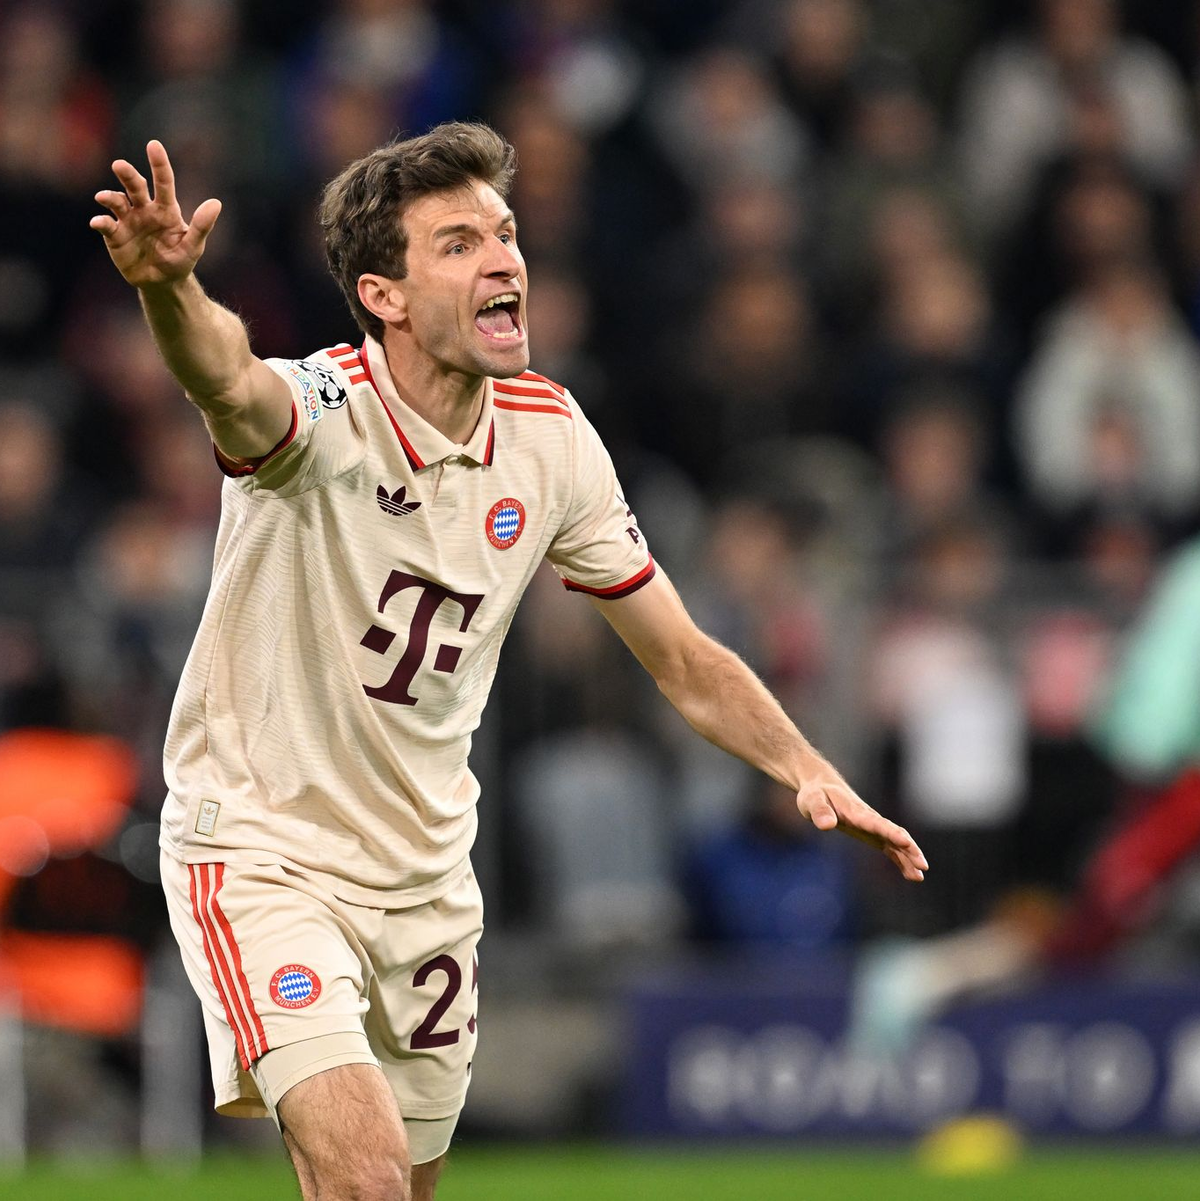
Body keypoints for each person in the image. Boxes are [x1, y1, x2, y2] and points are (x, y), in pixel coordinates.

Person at [90, 123, 927, 1201]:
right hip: (266, 853)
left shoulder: (552, 439)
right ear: (384, 294)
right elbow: (228, 379)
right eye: (457, 243)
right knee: (369, 1183)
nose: (504, 260)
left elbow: (678, 653)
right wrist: (168, 291)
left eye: (507, 233)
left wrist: (806, 766)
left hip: (430, 881)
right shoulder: (323, 415)